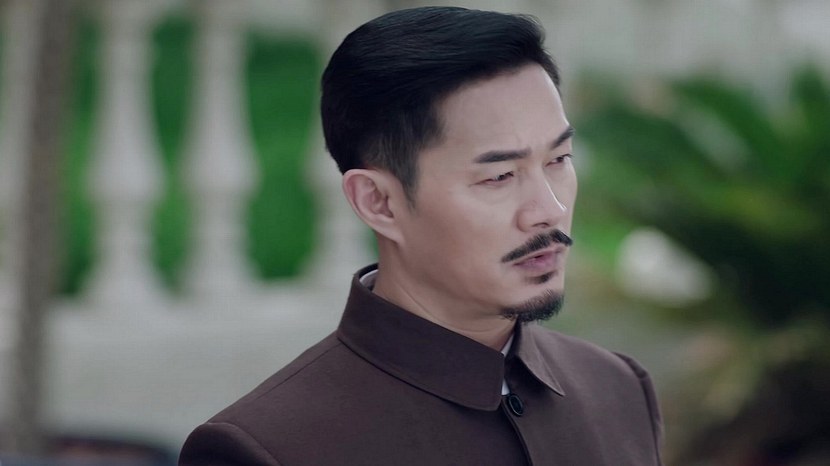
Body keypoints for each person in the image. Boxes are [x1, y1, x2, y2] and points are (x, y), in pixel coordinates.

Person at [179, 6, 663, 466]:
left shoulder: (617, 389)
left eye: (559, 160)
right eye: (499, 176)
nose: (549, 211)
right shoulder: (266, 450)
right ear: (378, 202)